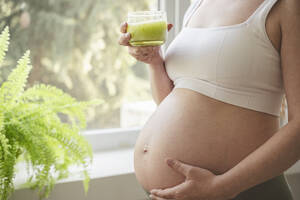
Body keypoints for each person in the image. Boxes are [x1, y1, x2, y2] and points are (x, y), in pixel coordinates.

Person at [118, 0, 299, 199]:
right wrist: (154, 60)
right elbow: (178, 103)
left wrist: (222, 188)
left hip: (239, 192)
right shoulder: (199, 3)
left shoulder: (288, 6)